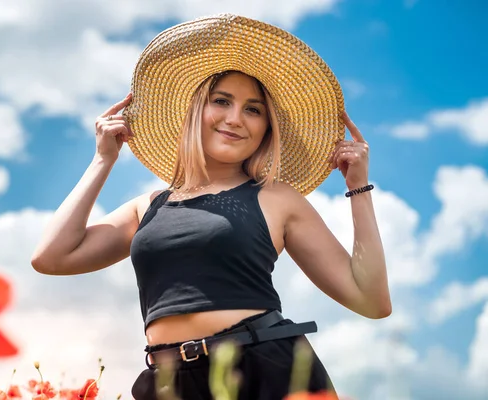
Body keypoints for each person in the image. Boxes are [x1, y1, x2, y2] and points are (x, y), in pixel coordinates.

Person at [31, 14, 391, 400]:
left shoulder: (277, 198)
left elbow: (370, 301)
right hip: (169, 383)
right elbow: (51, 257)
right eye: (222, 101)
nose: (235, 119)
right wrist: (103, 160)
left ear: (266, 130)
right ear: (194, 112)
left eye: (254, 110)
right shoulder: (147, 207)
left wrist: (358, 188)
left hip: (263, 371)